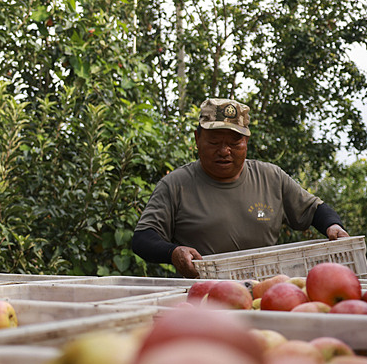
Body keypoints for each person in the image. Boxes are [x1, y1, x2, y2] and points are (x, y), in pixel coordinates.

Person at [131, 98, 349, 278]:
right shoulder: (175, 185)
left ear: (246, 142)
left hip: (266, 293)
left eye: (234, 143)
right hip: (203, 297)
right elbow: (143, 239)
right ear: (197, 139)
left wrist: (333, 226)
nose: (225, 151)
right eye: (214, 142)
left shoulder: (271, 177)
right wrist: (173, 252)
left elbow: (315, 209)